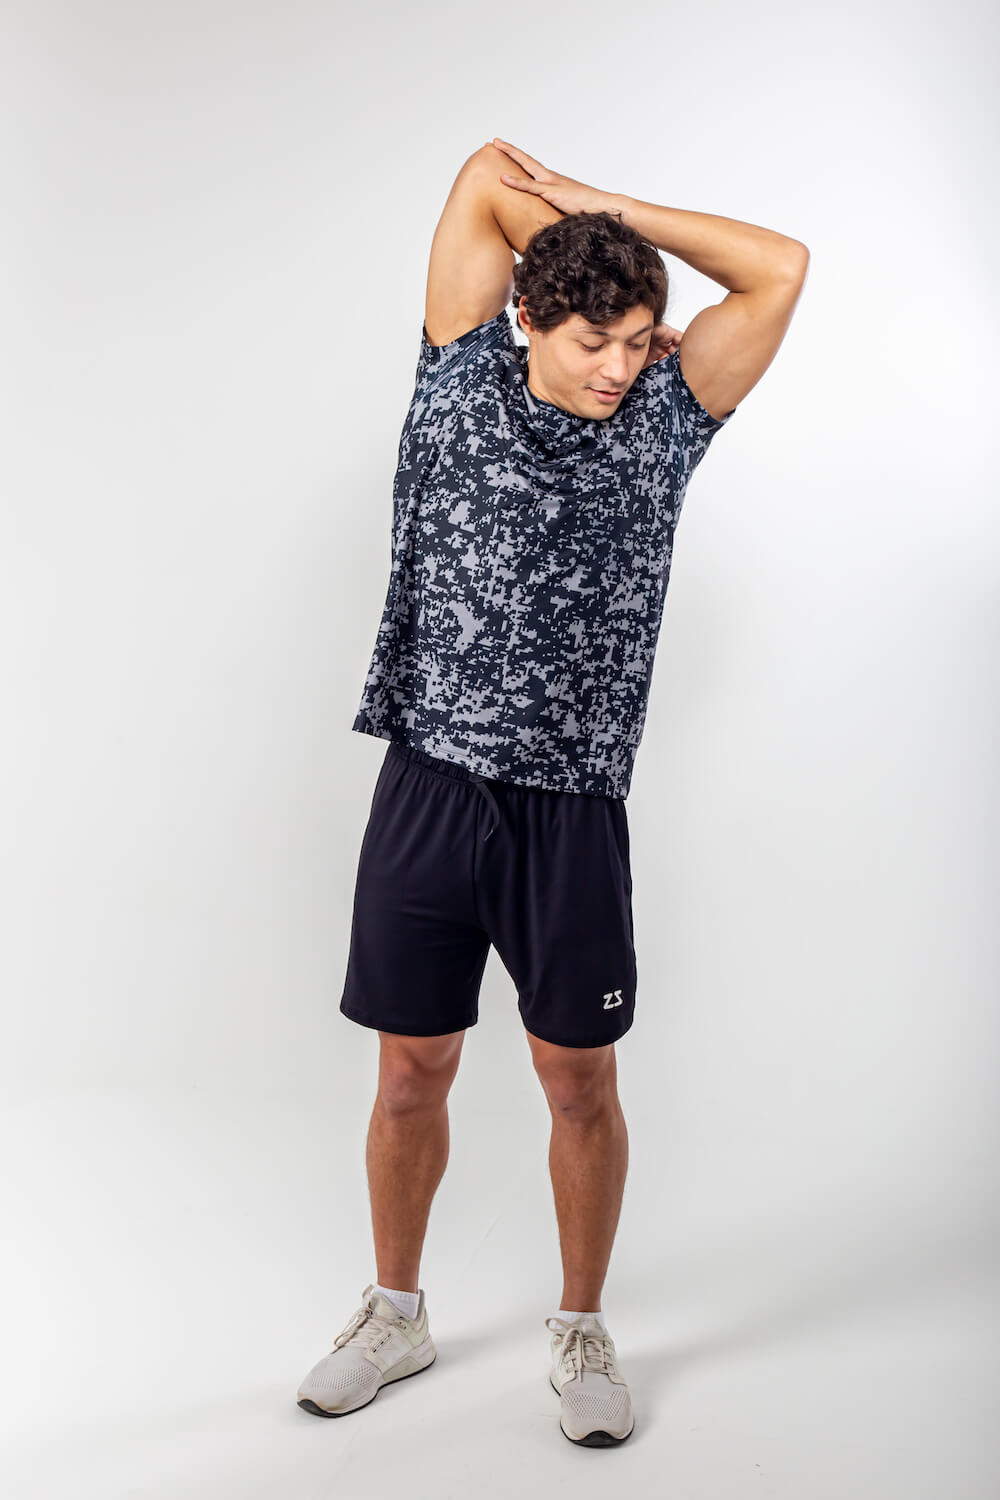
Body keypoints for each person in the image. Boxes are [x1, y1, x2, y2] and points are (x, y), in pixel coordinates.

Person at [297, 138, 809, 1446]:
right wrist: (576, 235)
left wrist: (615, 220)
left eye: (638, 339)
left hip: (570, 807)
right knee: (410, 1072)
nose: (620, 366)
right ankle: (395, 1312)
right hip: (429, 779)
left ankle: (582, 1326)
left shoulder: (667, 419)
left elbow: (781, 268)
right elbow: (482, 172)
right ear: (530, 314)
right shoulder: (457, 369)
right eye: (595, 339)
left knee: (577, 1079)